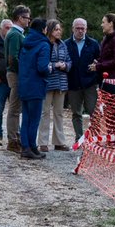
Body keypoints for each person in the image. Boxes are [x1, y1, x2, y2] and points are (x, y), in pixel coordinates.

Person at [16, 17, 51, 160]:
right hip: (36, 85)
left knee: (26, 118)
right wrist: (49, 69)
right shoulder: (44, 44)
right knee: (34, 119)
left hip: (24, 84)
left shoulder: (26, 42)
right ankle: (31, 147)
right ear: (43, 29)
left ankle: (26, 147)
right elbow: (42, 67)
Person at [91, 12, 115, 141]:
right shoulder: (107, 39)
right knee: (108, 110)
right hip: (105, 79)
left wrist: (99, 66)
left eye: (103, 22)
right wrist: (98, 63)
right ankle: (113, 137)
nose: (101, 25)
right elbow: (107, 58)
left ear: (110, 24)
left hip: (113, 80)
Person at [64, 18, 101, 143]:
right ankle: (78, 138)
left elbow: (100, 61)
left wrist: (97, 66)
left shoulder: (94, 44)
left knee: (93, 112)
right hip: (73, 84)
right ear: (73, 28)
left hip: (90, 83)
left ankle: (95, 138)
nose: (80, 31)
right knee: (76, 113)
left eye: (83, 28)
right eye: (78, 28)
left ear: (86, 29)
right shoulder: (66, 44)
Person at [39, 19, 71, 151]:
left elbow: (69, 61)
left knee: (59, 113)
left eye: (60, 29)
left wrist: (66, 66)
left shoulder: (63, 45)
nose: (59, 32)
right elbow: (42, 63)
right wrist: (55, 65)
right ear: (50, 31)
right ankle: (43, 142)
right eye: (56, 29)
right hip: (47, 83)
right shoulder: (45, 44)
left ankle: (59, 141)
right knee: (45, 113)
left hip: (61, 83)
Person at [3, 5, 31, 153]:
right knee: (14, 109)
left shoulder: (16, 33)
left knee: (16, 108)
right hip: (16, 74)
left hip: (16, 73)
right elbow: (12, 57)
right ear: (20, 18)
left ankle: (15, 137)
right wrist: (24, 71)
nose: (28, 21)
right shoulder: (15, 34)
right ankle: (13, 140)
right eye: (27, 18)